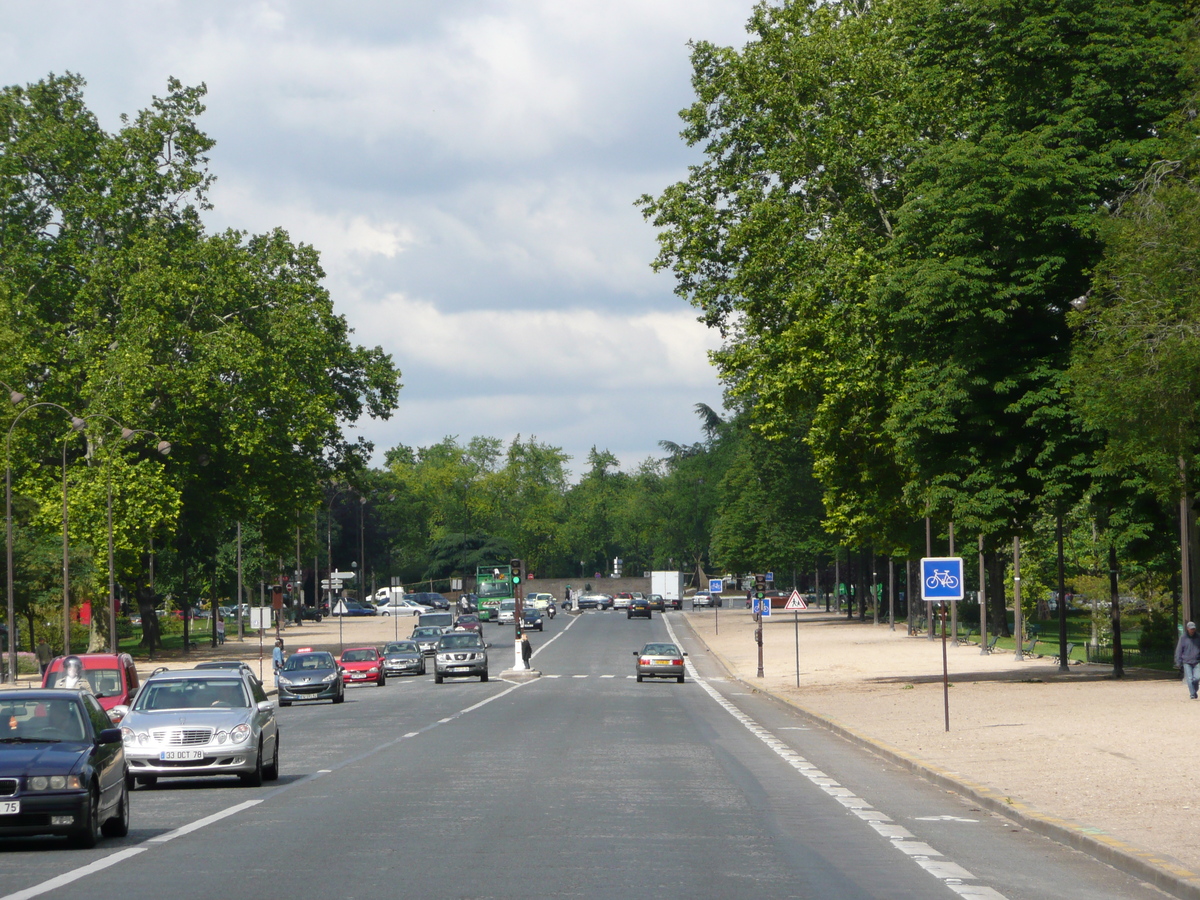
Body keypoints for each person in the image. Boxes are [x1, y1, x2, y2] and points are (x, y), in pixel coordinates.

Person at [1175, 621, 1200, 699]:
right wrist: (1178, 661)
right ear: (1187, 628)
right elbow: (1179, 650)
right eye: (1191, 629)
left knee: (1197, 678)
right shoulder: (1183, 638)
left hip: (1197, 661)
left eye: (1193, 629)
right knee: (1189, 679)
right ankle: (1192, 694)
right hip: (1186, 661)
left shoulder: (1198, 637)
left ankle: (1194, 691)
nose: (1192, 630)